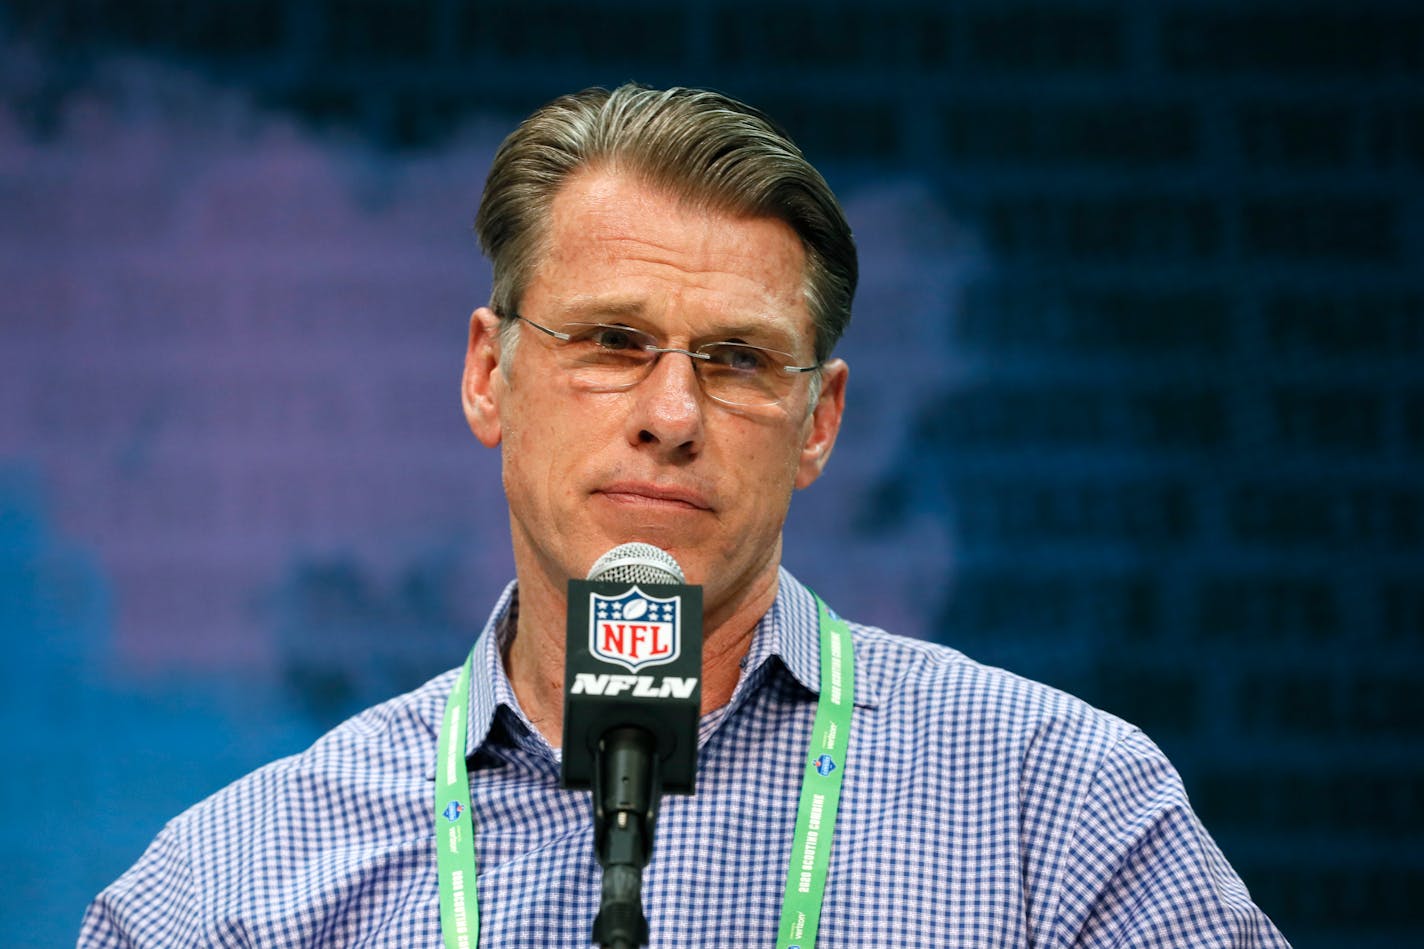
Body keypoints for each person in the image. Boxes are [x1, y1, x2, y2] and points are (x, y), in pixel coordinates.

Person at [80, 84, 1290, 948]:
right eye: (611, 342)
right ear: (486, 374)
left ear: (817, 423)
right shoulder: (227, 894)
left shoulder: (1056, 811)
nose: (671, 412)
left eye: (739, 360)